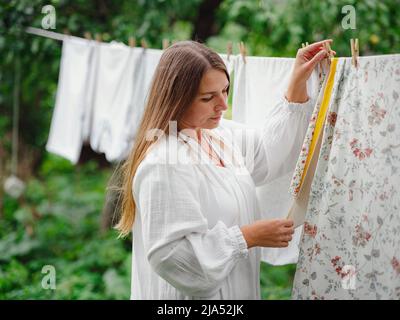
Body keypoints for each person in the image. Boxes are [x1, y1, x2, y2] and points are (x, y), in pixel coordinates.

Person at [115, 39, 335, 299]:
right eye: (208, 98)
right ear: (177, 99)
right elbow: (172, 256)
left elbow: (270, 153)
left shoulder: (219, 136)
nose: (223, 105)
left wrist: (298, 81)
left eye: (225, 91)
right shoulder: (164, 164)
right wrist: (248, 236)